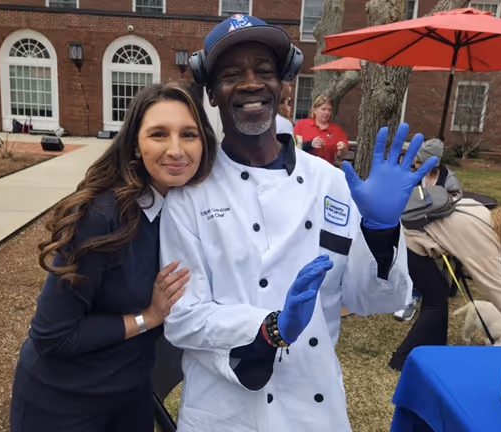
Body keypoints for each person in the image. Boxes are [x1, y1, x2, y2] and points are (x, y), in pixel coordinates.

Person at [160, 15, 438, 432]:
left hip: (312, 407)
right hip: (223, 409)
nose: (251, 83)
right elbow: (182, 319)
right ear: (212, 93)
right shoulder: (188, 196)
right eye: (232, 74)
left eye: (265, 71)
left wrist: (380, 230)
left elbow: (372, 300)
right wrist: (269, 327)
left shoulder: (332, 183)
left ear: (284, 85)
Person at [9, 82, 219, 432]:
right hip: (63, 403)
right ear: (136, 145)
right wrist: (149, 316)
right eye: (158, 135)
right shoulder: (103, 217)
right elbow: (53, 335)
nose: (176, 149)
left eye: (189, 134)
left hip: (132, 394)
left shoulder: (193, 211)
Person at [387, 199, 501, 371]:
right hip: (407, 243)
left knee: (439, 294)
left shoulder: (478, 208)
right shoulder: (486, 243)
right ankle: (402, 359)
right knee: (435, 301)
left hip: (399, 232)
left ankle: (436, 351)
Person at [394, 138, 463, 321]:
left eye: (422, 161)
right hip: (413, 222)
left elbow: (456, 203)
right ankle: (401, 285)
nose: (418, 164)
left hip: (438, 228)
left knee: (416, 249)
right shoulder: (417, 174)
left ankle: (413, 295)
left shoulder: (448, 180)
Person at [293, 95, 349, 165]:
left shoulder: (336, 130)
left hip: (325, 169)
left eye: (329, 110)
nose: (327, 113)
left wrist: (343, 148)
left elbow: (341, 154)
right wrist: (310, 144)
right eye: (323, 109)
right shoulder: (302, 125)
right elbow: (294, 147)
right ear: (314, 110)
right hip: (304, 167)